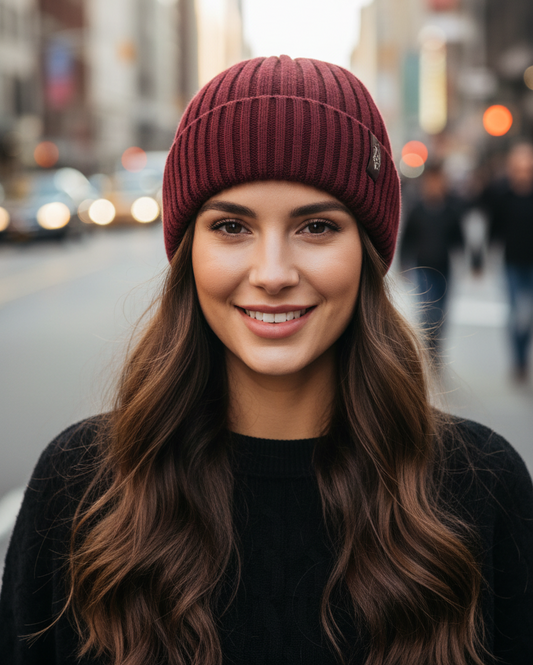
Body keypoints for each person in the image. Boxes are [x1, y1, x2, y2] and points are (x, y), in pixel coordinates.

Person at [1, 56, 533, 665]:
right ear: (188, 253)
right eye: (231, 226)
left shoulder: (481, 488)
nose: (274, 274)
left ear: (367, 251)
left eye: (315, 227)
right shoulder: (79, 491)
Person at [482, 142, 533, 382]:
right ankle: (518, 360)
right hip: (512, 262)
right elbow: (494, 226)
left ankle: (523, 354)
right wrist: (486, 254)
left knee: (529, 314)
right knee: (515, 313)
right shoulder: (503, 193)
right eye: (519, 166)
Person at [400, 163, 464, 352]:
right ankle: (429, 348)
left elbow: (459, 239)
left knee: (441, 312)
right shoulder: (417, 210)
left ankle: (435, 347)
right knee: (427, 311)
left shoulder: (451, 210)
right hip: (423, 267)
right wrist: (403, 264)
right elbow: (407, 238)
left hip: (444, 268)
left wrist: (472, 260)